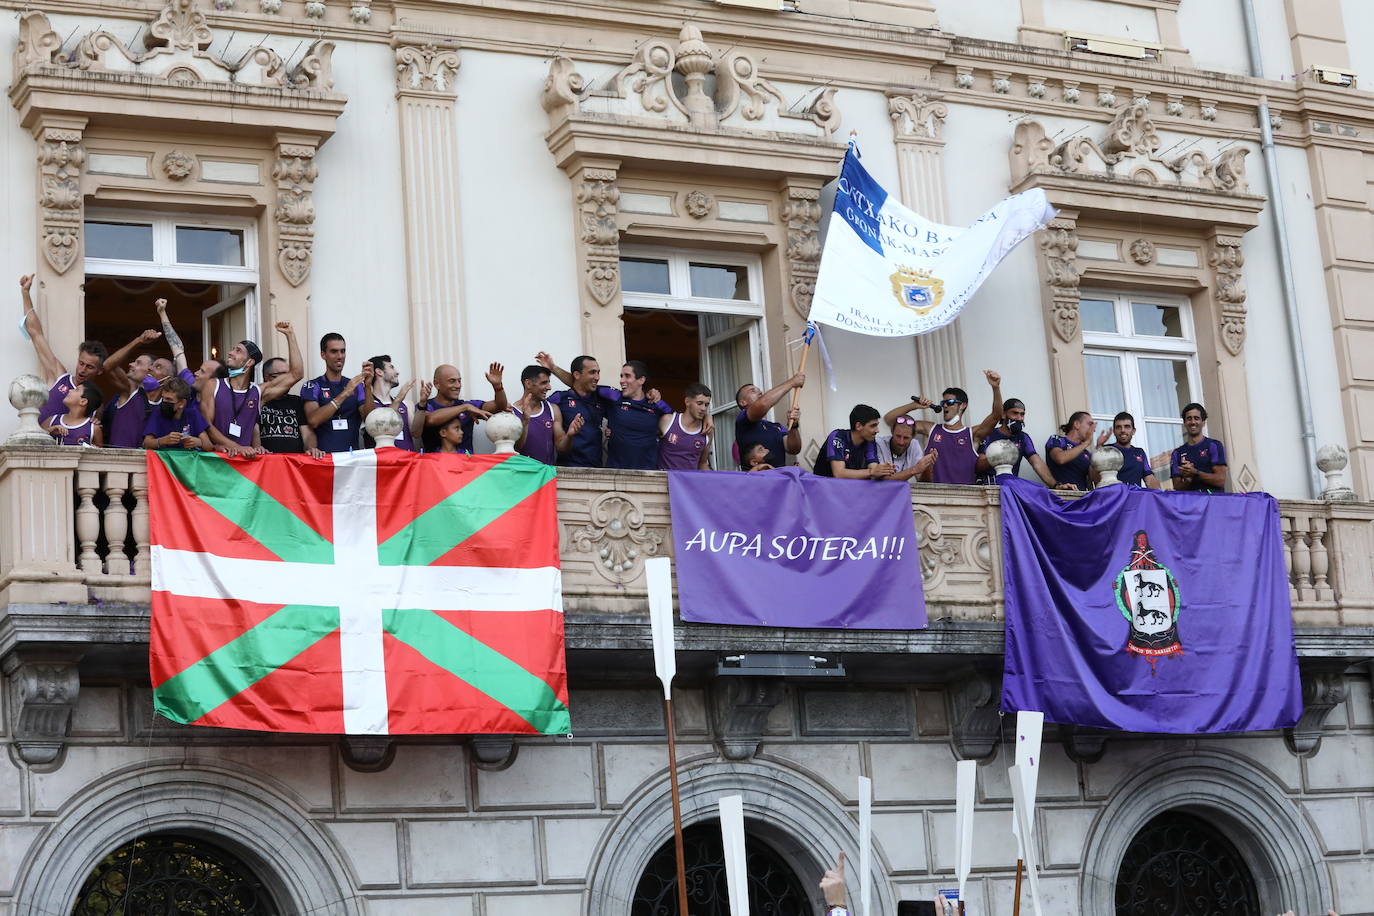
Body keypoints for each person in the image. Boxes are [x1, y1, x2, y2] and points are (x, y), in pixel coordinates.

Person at [539, 354, 672, 470]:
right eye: (621, 376)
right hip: (612, 471)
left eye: (627, 376)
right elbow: (580, 384)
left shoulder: (656, 405)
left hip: (648, 472)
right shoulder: (614, 397)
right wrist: (553, 368)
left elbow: (675, 424)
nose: (621, 380)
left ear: (641, 380)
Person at [202, 322, 304, 455]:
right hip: (218, 460)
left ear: (249, 362)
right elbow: (207, 425)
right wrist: (237, 447)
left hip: (246, 463)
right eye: (233, 349)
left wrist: (290, 335)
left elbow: (297, 374)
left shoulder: (258, 392)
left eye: (238, 351)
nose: (230, 353)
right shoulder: (213, 385)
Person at [19, 274, 109, 424]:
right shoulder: (59, 376)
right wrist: (25, 293)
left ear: (99, 370)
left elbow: (91, 436)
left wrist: (95, 424)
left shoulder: (96, 403)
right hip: (38, 442)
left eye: (89, 367)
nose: (82, 370)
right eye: (81, 363)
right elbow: (36, 334)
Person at [900, 370, 1003, 485]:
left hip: (967, 498)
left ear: (963, 405)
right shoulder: (930, 429)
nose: (944, 405)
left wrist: (996, 388)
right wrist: (914, 406)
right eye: (943, 402)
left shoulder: (972, 434)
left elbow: (996, 416)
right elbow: (893, 421)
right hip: (934, 497)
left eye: (949, 402)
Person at [303, 333, 372, 453]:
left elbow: (370, 420)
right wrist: (345, 393)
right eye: (334, 351)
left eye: (343, 351)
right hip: (324, 458)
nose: (340, 356)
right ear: (323, 354)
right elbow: (313, 420)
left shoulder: (356, 386)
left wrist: (368, 386)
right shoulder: (313, 385)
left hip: (352, 458)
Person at [977, 398, 1067, 488]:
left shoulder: (1023, 437)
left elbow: (1037, 463)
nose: (1019, 418)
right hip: (989, 486)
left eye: (1022, 414)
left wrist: (1056, 485)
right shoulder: (989, 434)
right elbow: (978, 466)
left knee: (1039, 491)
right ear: (1003, 414)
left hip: (1010, 486)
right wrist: (998, 456)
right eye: (1015, 413)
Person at [420, 362, 505, 454]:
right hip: (435, 465)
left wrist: (498, 387)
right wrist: (465, 408)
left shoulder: (468, 405)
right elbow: (429, 419)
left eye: (459, 381)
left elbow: (499, 406)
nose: (457, 385)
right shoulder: (426, 405)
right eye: (452, 381)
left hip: (466, 465)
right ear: (437, 384)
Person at [100, 329, 163, 449]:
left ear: (150, 370)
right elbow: (107, 365)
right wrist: (139, 340)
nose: (131, 364)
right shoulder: (129, 390)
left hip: (149, 464)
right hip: (117, 463)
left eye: (138, 363)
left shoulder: (167, 399)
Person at [511, 364, 580, 465]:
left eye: (548, 383)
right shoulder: (511, 413)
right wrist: (525, 421)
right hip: (522, 475)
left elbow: (561, 448)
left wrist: (569, 435)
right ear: (528, 383)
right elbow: (515, 449)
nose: (549, 387)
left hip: (546, 475)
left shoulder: (553, 409)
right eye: (544, 383)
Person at [734, 373, 805, 470]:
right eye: (752, 391)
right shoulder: (742, 420)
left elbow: (794, 449)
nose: (760, 393)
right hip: (757, 480)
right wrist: (792, 382)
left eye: (760, 391)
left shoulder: (776, 426)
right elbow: (762, 404)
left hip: (778, 479)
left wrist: (794, 426)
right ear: (743, 402)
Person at [256, 357, 324, 457]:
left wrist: (311, 448)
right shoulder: (257, 401)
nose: (289, 380)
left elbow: (307, 434)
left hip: (293, 466)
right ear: (268, 377)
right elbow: (253, 428)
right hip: (266, 464)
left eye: (290, 375)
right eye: (284, 375)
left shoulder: (297, 402)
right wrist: (257, 446)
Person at [360, 354, 423, 450]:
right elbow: (381, 426)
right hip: (383, 463)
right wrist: (399, 398)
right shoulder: (368, 405)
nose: (397, 372)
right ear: (379, 372)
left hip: (407, 462)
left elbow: (416, 434)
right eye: (391, 367)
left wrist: (422, 404)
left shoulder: (406, 404)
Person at [813, 404, 892, 479]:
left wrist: (884, 470)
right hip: (824, 488)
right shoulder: (838, 437)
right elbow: (839, 473)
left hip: (848, 488)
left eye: (877, 425)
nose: (877, 430)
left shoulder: (869, 440)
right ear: (858, 426)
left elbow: (873, 468)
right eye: (873, 426)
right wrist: (872, 472)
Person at [1171, 402, 1228, 493]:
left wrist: (1195, 473)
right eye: (1189, 419)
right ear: (1184, 423)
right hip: (1190, 505)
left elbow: (1220, 480)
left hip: (1213, 503)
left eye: (1196, 418)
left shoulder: (1214, 445)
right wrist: (1188, 478)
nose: (1193, 422)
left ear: (1203, 422)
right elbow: (1177, 487)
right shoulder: (1177, 453)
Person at [1046, 410, 1109, 491]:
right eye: (1090, 424)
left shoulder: (1086, 453)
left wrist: (1099, 447)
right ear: (1077, 424)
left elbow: (1096, 479)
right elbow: (1060, 458)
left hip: (1082, 498)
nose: (1093, 430)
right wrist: (1086, 443)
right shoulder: (1057, 440)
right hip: (1061, 497)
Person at [143, 377, 209, 450]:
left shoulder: (192, 414)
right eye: (163, 398)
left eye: (169, 399)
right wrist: (162, 441)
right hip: (164, 460)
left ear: (182, 403)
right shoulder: (157, 413)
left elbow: (209, 445)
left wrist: (199, 442)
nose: (164, 402)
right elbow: (146, 443)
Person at [658, 383, 712, 471]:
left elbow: (702, 463)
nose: (703, 408)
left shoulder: (707, 429)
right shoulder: (668, 420)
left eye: (706, 405)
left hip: (689, 483)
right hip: (665, 482)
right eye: (699, 403)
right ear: (687, 402)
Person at [874, 408, 936, 482]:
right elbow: (883, 480)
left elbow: (923, 482)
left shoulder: (914, 445)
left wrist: (927, 468)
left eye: (906, 438)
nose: (901, 442)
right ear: (892, 432)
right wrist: (915, 469)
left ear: (913, 436)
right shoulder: (879, 443)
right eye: (898, 436)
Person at [1107, 411, 1161, 489]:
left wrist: (1162, 494)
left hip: (1135, 499)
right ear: (1114, 431)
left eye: (1127, 426)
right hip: (1114, 499)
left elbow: (1149, 478)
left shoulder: (1139, 452)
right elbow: (1096, 478)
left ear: (1133, 431)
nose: (1123, 430)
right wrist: (1098, 447)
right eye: (1118, 427)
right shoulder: (1106, 450)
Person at [43, 382, 103, 446]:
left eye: (76, 390)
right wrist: (50, 430)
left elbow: (100, 453)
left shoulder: (93, 428)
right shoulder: (52, 420)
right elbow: (34, 437)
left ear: (83, 401)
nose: (70, 390)